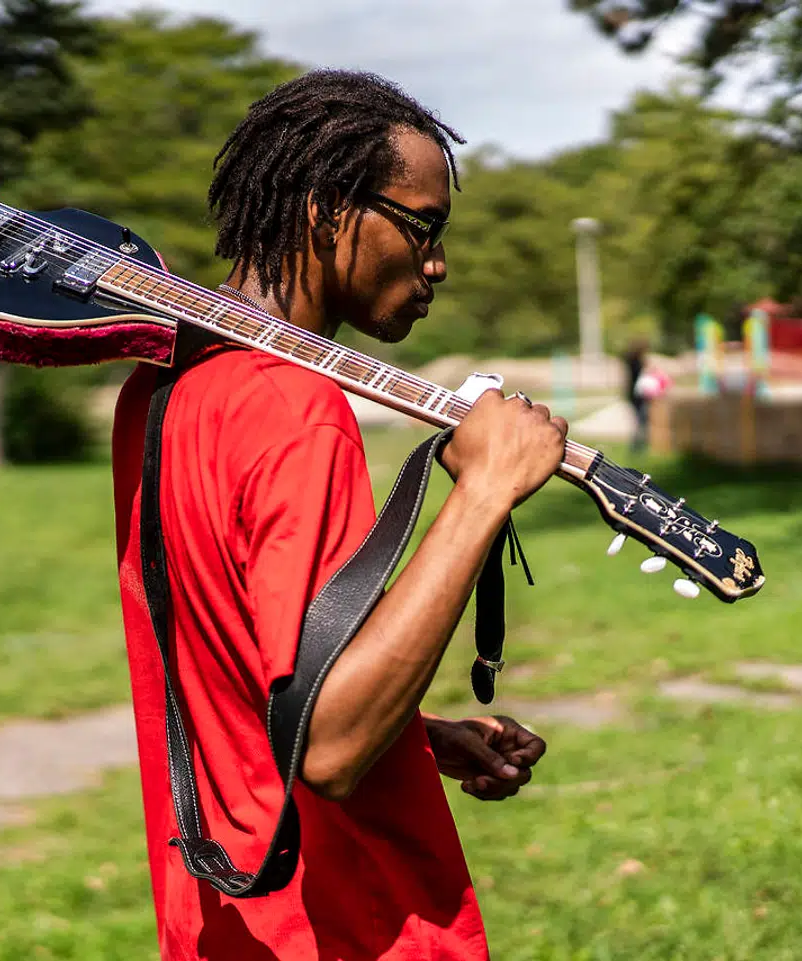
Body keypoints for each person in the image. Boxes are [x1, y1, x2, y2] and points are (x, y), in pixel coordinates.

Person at [111, 70, 568, 961]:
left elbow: (242, 668)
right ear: (327, 210)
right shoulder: (295, 408)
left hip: (219, 916)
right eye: (423, 227)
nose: (436, 263)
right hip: (333, 923)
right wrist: (481, 494)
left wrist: (415, 733)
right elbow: (330, 748)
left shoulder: (164, 385)